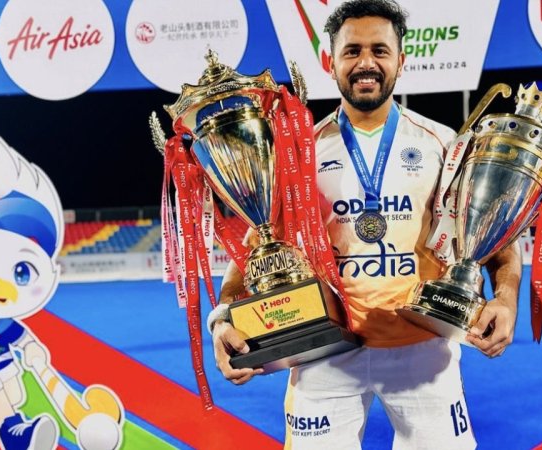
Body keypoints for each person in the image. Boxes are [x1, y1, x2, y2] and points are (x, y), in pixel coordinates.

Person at [209, 1, 522, 448]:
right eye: (352, 51)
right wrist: (223, 318)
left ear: (401, 61)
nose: (366, 62)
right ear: (330, 62)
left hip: (423, 352)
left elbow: (497, 240)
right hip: (324, 353)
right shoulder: (298, 154)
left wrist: (506, 300)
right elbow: (256, 250)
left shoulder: (443, 144)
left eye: (380, 49)